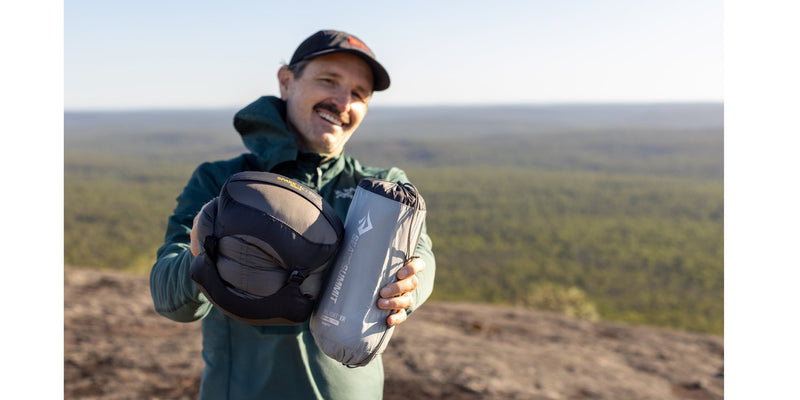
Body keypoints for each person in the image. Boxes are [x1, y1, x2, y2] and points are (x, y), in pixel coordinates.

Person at [149, 29, 436, 399]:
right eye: (328, 81)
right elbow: (167, 297)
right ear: (287, 81)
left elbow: (422, 258)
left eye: (359, 94)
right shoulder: (222, 182)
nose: (342, 101)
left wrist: (407, 288)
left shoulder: (382, 190)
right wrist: (207, 251)